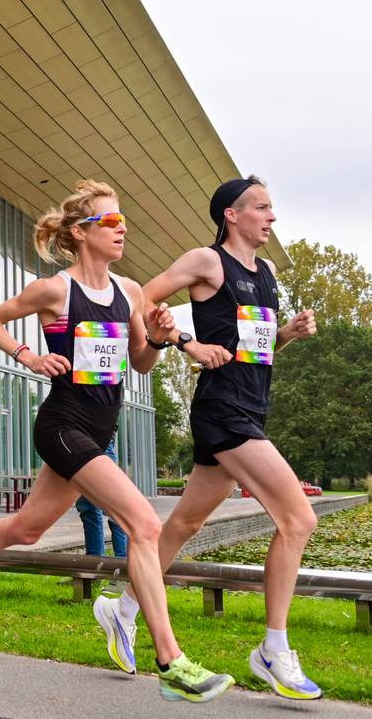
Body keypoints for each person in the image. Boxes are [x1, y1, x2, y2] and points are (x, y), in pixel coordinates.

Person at [0, 180, 234, 703]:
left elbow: (140, 363)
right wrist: (27, 356)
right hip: (62, 424)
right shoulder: (55, 290)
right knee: (144, 522)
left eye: (122, 219)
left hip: (101, 428)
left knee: (29, 528)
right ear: (81, 233)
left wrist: (160, 335)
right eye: (110, 221)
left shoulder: (128, 292)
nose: (122, 227)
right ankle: (171, 661)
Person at [113, 176, 321, 700]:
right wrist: (186, 341)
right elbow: (137, 298)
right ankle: (273, 649)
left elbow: (250, 347)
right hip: (223, 412)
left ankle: (124, 607)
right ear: (232, 214)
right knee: (299, 519)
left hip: (251, 406)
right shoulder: (206, 262)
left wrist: (285, 336)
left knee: (184, 522)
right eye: (262, 208)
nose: (271, 217)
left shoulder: (269, 272)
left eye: (273, 208)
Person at [74, 437, 127, 558]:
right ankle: (94, 562)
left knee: (115, 507)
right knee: (87, 506)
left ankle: (123, 564)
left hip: (101, 439)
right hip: (77, 441)